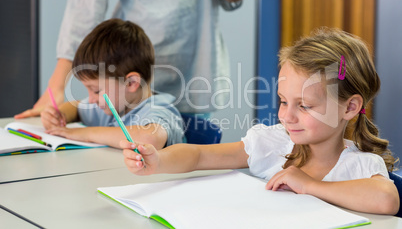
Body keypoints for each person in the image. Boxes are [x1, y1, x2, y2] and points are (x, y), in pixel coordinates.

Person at [120, 28, 400, 215]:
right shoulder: (273, 144)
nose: (286, 116)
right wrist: (158, 161)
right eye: (283, 100)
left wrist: (309, 185)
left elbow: (387, 199)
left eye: (304, 106)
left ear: (350, 107)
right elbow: (198, 155)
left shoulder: (360, 166)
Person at [16, 0, 265, 119]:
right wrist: (57, 87)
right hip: (128, 71)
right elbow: (86, 3)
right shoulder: (110, 95)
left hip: (196, 65)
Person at [41, 19, 184, 149]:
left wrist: (86, 133)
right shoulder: (114, 106)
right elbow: (78, 107)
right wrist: (59, 115)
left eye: (96, 91)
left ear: (131, 83)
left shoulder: (159, 109)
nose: (91, 99)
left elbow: (150, 138)